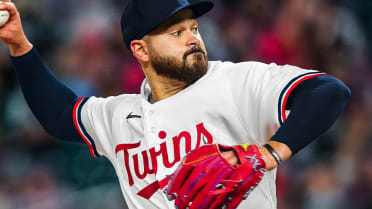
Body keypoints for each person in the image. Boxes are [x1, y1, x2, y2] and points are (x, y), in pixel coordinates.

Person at [0, 0, 350, 208]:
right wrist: (18, 45)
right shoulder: (119, 116)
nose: (193, 38)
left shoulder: (233, 81)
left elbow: (327, 91)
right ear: (140, 50)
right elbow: (59, 115)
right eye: (176, 32)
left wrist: (268, 153)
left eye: (193, 27)